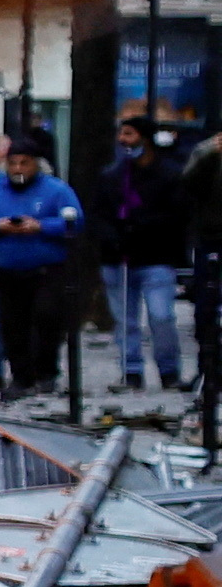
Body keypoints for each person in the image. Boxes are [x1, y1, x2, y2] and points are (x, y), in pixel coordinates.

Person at [0, 131, 84, 406]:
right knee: (11, 326)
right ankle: (21, 378)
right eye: (13, 163)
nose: (18, 169)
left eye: (24, 163)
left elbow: (74, 221)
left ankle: (46, 372)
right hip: (6, 271)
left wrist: (42, 226)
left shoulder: (56, 190)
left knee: (46, 319)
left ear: (36, 164)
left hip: (46, 269)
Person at [99, 116, 192, 401]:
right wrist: (112, 236)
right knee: (125, 319)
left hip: (155, 256)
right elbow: (99, 214)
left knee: (161, 315)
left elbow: (177, 215)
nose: (123, 140)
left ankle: (168, 370)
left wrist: (143, 226)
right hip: (119, 258)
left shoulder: (170, 174)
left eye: (129, 134)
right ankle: (132, 370)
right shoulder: (112, 175)